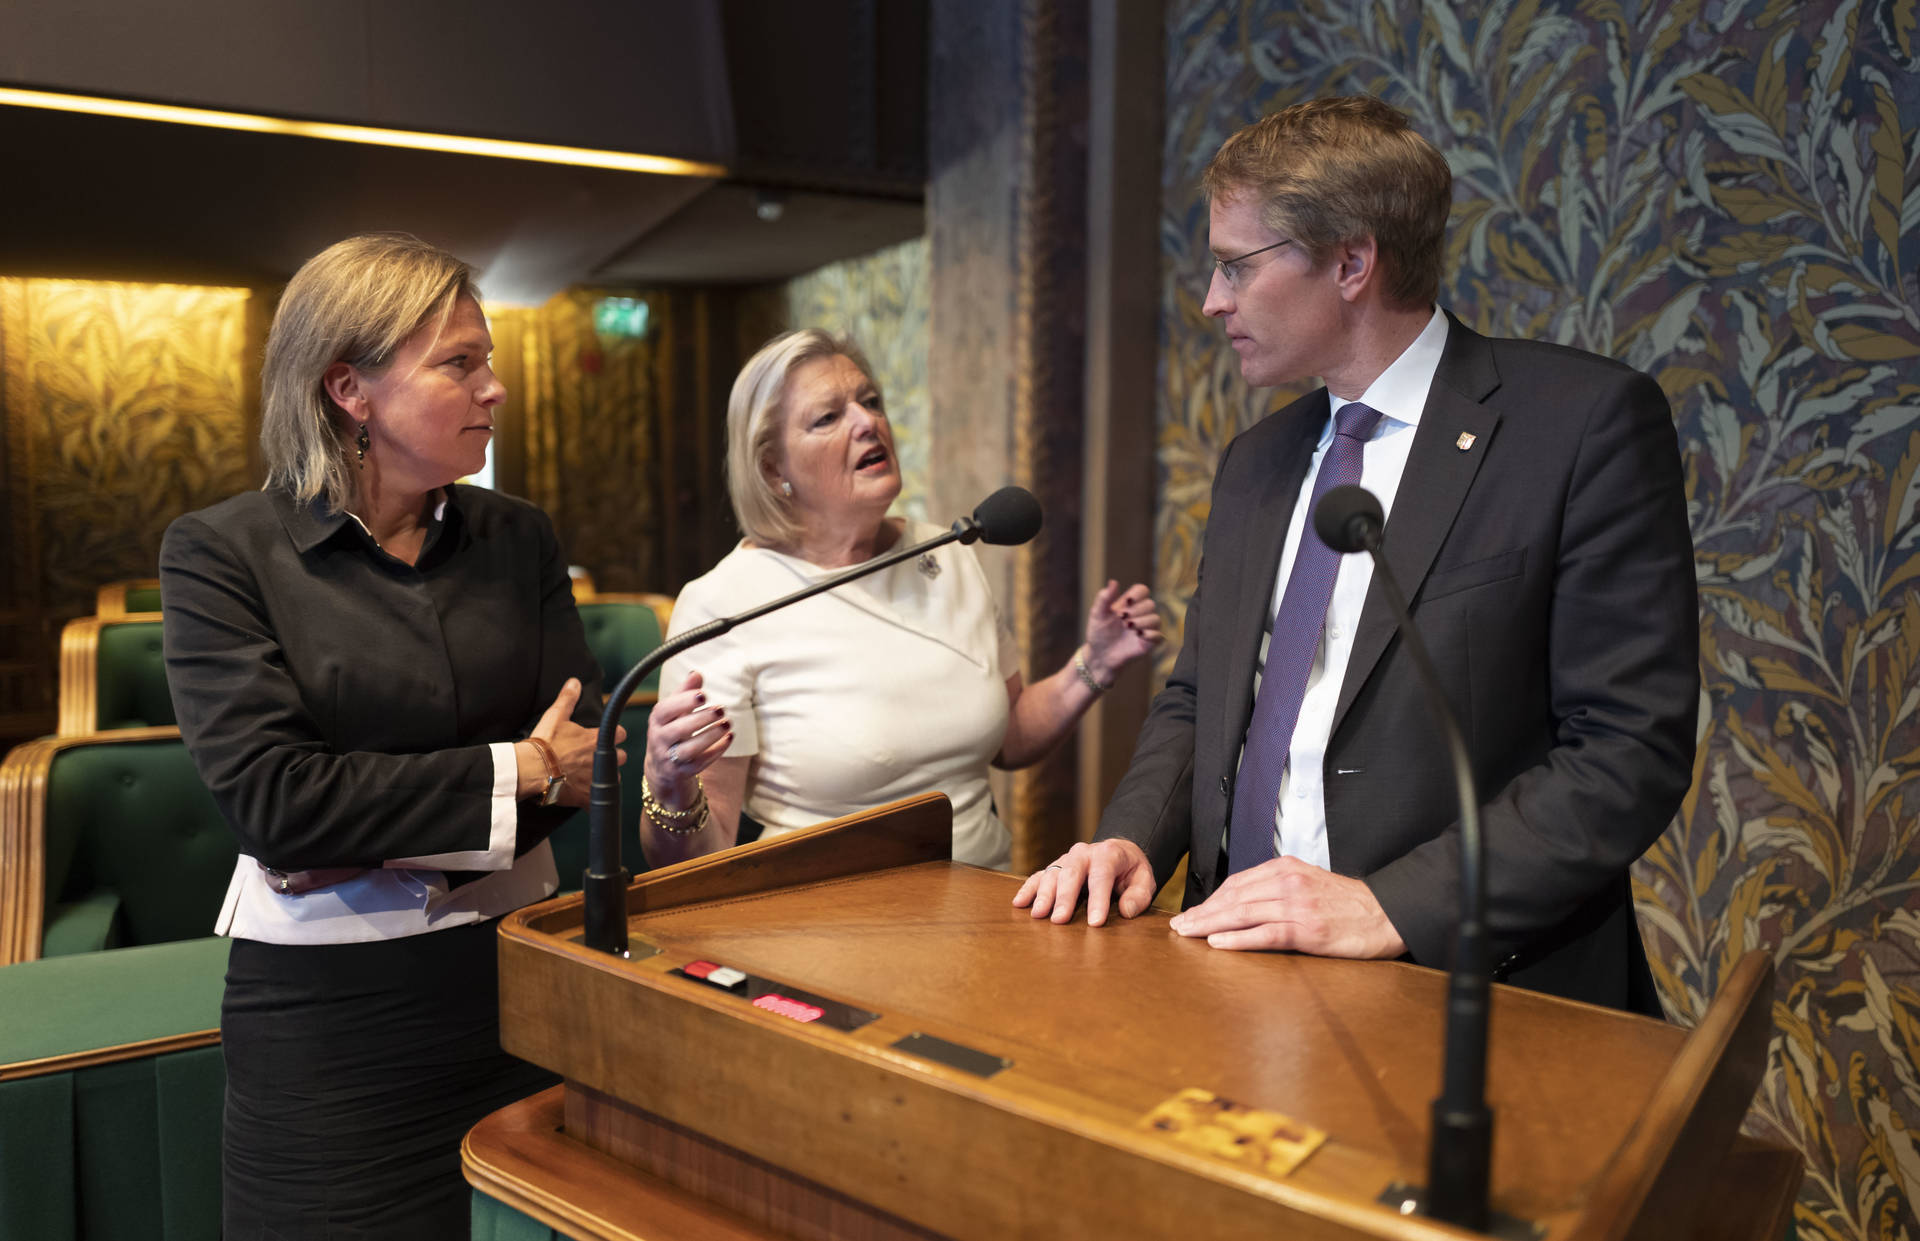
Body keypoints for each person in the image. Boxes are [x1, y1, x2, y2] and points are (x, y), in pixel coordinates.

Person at [1013, 96, 1698, 1013]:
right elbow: (1202, 699)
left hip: (1464, 990)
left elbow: (1626, 750)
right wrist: (1132, 838)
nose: (1212, 299)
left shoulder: (1579, 427)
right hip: (1234, 972)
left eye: (1236, 266)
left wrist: (1392, 906)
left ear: (1350, 262)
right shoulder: (1256, 461)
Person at [161, 232, 620, 1237]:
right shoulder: (220, 553)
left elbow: (585, 758)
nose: (495, 387)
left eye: (487, 360)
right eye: (460, 363)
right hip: (328, 1024)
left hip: (520, 978)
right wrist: (524, 767)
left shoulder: (520, 536)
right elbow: (277, 806)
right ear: (349, 389)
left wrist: (356, 834)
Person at [638, 329, 1161, 869]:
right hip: (823, 910)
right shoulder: (722, 604)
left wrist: (1094, 663)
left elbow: (1009, 735)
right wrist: (669, 787)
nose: (867, 422)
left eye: (870, 401)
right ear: (774, 470)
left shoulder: (950, 552)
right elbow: (702, 853)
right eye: (828, 417)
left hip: (986, 898)